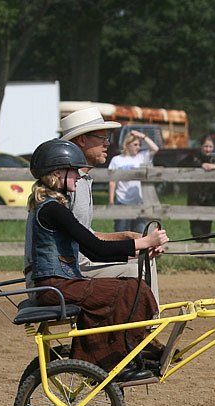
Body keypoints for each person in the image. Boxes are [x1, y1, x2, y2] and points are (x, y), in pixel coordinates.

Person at [24, 139, 169, 381]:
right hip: (55, 286)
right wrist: (144, 243)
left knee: (128, 289)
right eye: (75, 171)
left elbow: (93, 251)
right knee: (130, 291)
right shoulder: (53, 210)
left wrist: (140, 251)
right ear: (58, 173)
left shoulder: (54, 208)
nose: (79, 178)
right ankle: (115, 359)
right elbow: (97, 249)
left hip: (60, 283)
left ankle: (117, 353)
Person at [60, 107, 161, 304]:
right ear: (81, 140)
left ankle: (144, 325)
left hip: (83, 259)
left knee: (145, 263)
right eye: (102, 138)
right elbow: (88, 244)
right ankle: (145, 326)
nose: (108, 143)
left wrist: (126, 236)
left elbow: (86, 234)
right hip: (71, 267)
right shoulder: (69, 184)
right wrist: (136, 244)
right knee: (138, 269)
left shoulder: (83, 180)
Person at [179, 135, 215, 242]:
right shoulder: (193, 157)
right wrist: (200, 165)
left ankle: (205, 251)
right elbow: (180, 164)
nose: (208, 149)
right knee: (195, 228)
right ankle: (203, 250)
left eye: (210, 147)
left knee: (206, 226)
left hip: (210, 197)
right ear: (201, 146)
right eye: (205, 146)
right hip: (194, 197)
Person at [108, 130, 159, 233]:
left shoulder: (141, 157)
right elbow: (112, 181)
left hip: (139, 202)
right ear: (127, 144)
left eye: (139, 144)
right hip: (122, 201)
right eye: (135, 144)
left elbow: (155, 148)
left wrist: (142, 136)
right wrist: (111, 201)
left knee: (139, 233)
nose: (138, 147)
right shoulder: (116, 160)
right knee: (121, 233)